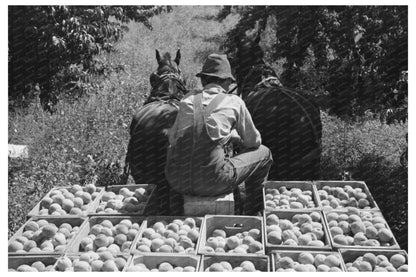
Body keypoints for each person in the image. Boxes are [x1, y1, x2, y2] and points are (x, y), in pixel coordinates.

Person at [165, 53, 273, 215]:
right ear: (228, 82)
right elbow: (253, 142)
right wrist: (234, 136)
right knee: (264, 153)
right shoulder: (234, 102)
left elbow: (172, 139)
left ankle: (171, 207)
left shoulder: (187, 100)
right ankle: (253, 211)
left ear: (203, 80)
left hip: (177, 181)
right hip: (214, 182)